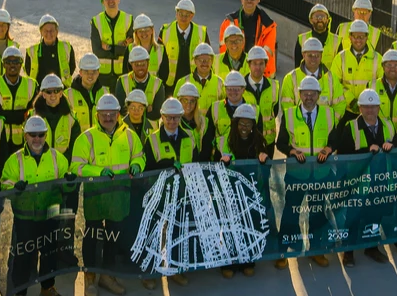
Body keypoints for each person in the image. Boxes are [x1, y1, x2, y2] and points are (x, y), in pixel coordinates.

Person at [71, 93, 143, 295]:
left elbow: (139, 155)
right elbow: (76, 165)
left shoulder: (129, 135)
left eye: (112, 113)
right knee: (92, 236)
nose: (108, 117)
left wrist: (137, 165)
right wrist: (98, 172)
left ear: (119, 114)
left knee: (113, 237)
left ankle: (107, 276)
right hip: (96, 198)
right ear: (97, 115)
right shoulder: (87, 138)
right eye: (104, 114)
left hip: (118, 198)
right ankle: (90, 277)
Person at [329, 89, 397, 267]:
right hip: (357, 181)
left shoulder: (388, 125)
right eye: (366, 107)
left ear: (378, 107)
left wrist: (391, 144)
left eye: (373, 107)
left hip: (379, 180)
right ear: (360, 108)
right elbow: (344, 154)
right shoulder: (350, 127)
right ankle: (349, 251)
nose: (370, 110)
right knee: (353, 216)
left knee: (375, 215)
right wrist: (366, 151)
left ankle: (371, 247)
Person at [2, 115, 69, 296]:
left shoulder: (58, 158)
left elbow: (68, 185)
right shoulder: (14, 160)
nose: (37, 139)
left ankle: (47, 288)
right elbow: (5, 183)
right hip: (26, 219)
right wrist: (14, 187)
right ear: (25, 136)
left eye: (41, 135)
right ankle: (20, 291)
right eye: (33, 135)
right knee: (23, 258)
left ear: (46, 135)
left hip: (51, 215)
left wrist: (70, 181)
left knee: (49, 255)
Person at [273, 75, 334, 269]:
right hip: (297, 173)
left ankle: (316, 250)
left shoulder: (329, 114)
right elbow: (280, 142)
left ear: (318, 95)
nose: (309, 97)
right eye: (305, 94)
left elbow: (337, 138)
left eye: (312, 94)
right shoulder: (290, 114)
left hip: (320, 174)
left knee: (317, 212)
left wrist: (329, 148)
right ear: (299, 94)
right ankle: (283, 251)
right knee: (291, 211)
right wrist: (292, 151)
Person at [142, 97, 200, 288]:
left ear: (180, 117)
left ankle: (173, 269)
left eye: (175, 118)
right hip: (159, 195)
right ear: (162, 117)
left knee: (176, 231)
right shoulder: (151, 140)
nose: (172, 122)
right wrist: (165, 164)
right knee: (154, 232)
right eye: (168, 118)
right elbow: (147, 168)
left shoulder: (189, 138)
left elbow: (195, 164)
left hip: (181, 193)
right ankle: (150, 272)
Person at [210, 103, 267, 279]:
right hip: (228, 190)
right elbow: (213, 160)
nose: (244, 128)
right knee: (228, 225)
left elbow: (265, 157)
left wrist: (264, 156)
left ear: (253, 125)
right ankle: (228, 262)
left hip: (250, 190)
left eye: (248, 124)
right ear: (235, 123)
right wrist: (222, 159)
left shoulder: (259, 141)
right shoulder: (223, 139)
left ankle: (248, 261)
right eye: (241, 124)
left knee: (249, 224)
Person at [220, 0, 277, 77]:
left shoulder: (268, 25)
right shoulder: (228, 22)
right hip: (234, 69)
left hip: (258, 71)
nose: (249, 0)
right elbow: (224, 49)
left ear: (258, 0)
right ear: (241, 0)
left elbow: (267, 54)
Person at [281, 37, 341, 122]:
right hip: (299, 130)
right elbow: (287, 106)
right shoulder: (290, 78)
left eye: (317, 55)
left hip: (324, 130)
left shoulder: (332, 78)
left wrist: (329, 123)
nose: (313, 59)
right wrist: (300, 124)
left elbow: (339, 104)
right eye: (310, 55)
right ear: (303, 55)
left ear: (321, 56)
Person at [0, 47, 38, 143]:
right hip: (1, 139)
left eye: (16, 61)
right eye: (8, 62)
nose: (12, 65)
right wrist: (21, 115)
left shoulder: (31, 85)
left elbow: (32, 113)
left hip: (24, 140)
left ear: (21, 64)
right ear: (3, 64)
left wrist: (7, 115)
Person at [158, 0, 208, 86]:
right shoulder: (165, 31)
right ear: (176, 14)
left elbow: (208, 58)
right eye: (180, 14)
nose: (183, 17)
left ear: (192, 16)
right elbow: (159, 57)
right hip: (170, 84)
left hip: (194, 83)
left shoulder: (201, 33)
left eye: (187, 15)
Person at [90, 0, 134, 77]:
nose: (111, 1)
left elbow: (129, 50)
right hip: (102, 75)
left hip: (123, 73)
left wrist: (109, 47)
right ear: (103, 1)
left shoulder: (128, 20)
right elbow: (97, 51)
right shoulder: (96, 21)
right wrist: (120, 48)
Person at [238, 47, 280, 144]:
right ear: (249, 65)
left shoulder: (274, 86)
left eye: (261, 63)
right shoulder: (240, 87)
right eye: (254, 64)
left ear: (266, 65)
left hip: (267, 141)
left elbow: (275, 111)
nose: (258, 67)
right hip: (246, 141)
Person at [31, 74, 78, 158]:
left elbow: (75, 145)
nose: (53, 95)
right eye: (48, 92)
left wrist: (63, 163)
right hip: (40, 165)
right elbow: (29, 144)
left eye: (56, 91)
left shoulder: (71, 117)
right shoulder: (32, 117)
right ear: (43, 94)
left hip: (64, 166)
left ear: (61, 93)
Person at [66, 54, 110, 132]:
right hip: (78, 142)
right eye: (86, 72)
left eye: (94, 72)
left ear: (98, 72)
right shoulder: (67, 95)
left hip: (99, 141)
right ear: (80, 72)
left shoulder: (106, 93)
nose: (90, 75)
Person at [371, 49, 397, 130]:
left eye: (396, 65)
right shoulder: (372, 86)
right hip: (380, 135)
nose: (392, 69)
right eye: (389, 65)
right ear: (383, 67)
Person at [205, 71, 249, 147]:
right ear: (225, 89)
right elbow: (208, 138)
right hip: (221, 156)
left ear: (243, 90)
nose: (233, 92)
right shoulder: (214, 108)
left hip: (244, 157)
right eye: (230, 89)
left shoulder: (253, 111)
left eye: (236, 89)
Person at [335, 21, 379, 96]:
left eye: (361, 37)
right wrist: (351, 101)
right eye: (355, 36)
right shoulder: (340, 57)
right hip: (345, 106)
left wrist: (367, 100)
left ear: (367, 38)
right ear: (350, 37)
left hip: (369, 105)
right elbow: (334, 83)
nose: (358, 40)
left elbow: (382, 85)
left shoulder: (377, 59)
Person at [117, 46, 163, 116]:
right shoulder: (122, 81)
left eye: (143, 64)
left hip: (150, 126)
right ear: (131, 64)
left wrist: (132, 108)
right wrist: (147, 109)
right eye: (136, 65)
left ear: (148, 63)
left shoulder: (158, 83)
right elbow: (121, 110)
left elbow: (157, 113)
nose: (140, 68)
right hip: (128, 126)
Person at [30, 14, 77, 83]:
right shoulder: (32, 51)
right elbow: (29, 71)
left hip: (62, 89)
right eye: (46, 31)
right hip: (40, 91)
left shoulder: (67, 47)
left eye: (52, 30)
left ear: (57, 31)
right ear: (41, 32)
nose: (49, 34)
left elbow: (72, 67)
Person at [183, 45, 219, 119]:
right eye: (201, 60)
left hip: (212, 128)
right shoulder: (183, 82)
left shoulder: (220, 84)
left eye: (208, 60)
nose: (204, 63)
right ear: (195, 61)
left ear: (212, 61)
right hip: (189, 128)